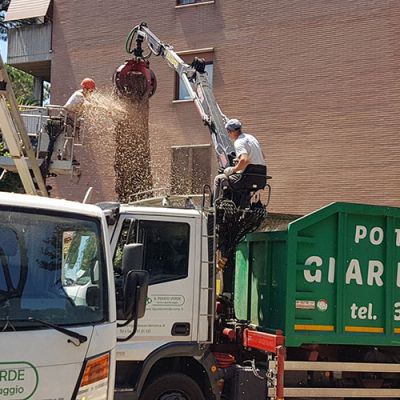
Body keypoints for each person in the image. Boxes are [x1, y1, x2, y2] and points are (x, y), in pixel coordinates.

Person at [214, 118, 267, 201]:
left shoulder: (239, 142)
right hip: (260, 178)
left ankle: (215, 207)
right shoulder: (252, 138)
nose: (228, 134)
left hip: (245, 179)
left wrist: (233, 169)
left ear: (230, 131)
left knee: (219, 179)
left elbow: (244, 160)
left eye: (228, 132)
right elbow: (263, 156)